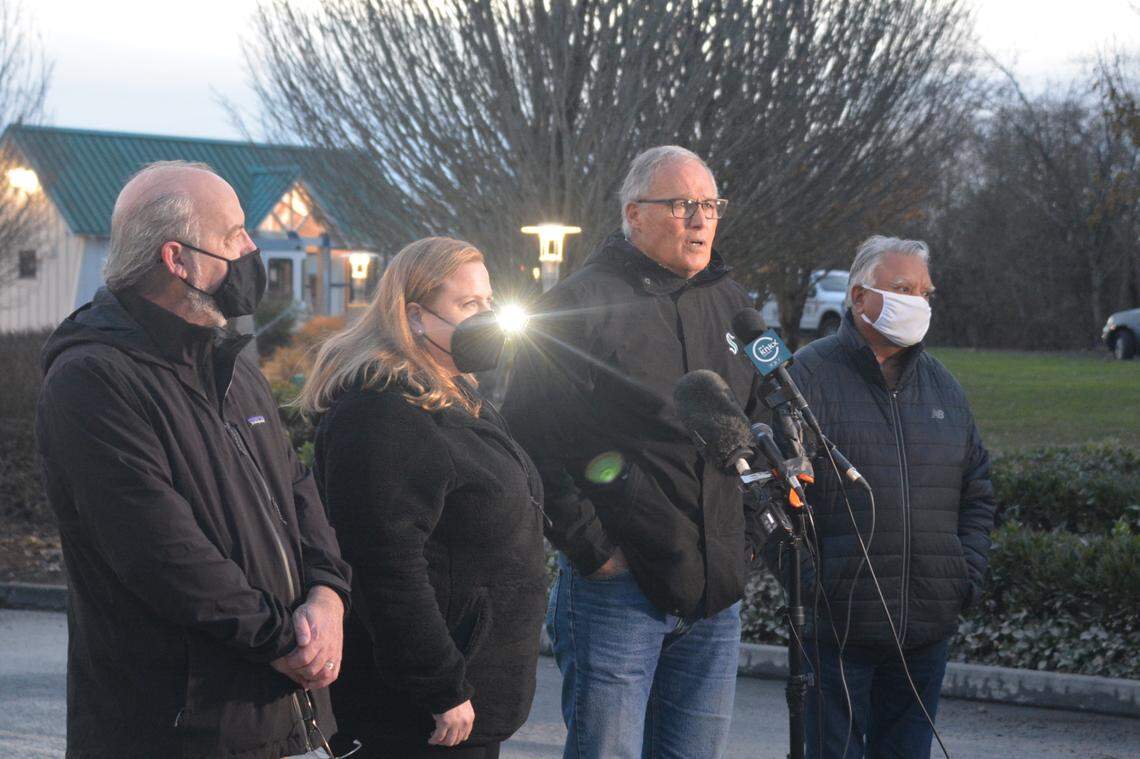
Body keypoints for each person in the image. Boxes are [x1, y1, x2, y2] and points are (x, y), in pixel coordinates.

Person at [35, 160, 352, 758]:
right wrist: (287, 643)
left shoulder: (230, 367)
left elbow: (297, 491)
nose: (252, 249)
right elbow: (161, 554)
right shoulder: (93, 381)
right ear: (177, 260)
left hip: (282, 719)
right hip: (177, 728)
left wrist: (328, 596)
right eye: (233, 236)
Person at [503, 145, 769, 758]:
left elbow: (757, 425)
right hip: (618, 591)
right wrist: (594, 549)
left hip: (714, 595)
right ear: (634, 214)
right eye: (682, 205)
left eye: (709, 205)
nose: (701, 219)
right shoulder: (577, 307)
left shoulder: (733, 304)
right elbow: (527, 438)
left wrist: (745, 534)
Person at [302, 237, 547, 759]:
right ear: (414, 316)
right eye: (467, 305)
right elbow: (384, 565)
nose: (484, 317)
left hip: (470, 697)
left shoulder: (458, 393)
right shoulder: (381, 414)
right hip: (418, 713)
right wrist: (440, 685)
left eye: (488, 302)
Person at [766, 235, 996, 758]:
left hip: (924, 630)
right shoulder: (806, 378)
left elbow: (977, 489)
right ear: (858, 296)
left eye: (924, 292)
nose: (917, 301)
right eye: (900, 288)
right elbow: (771, 497)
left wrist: (963, 574)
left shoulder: (944, 388)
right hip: (838, 632)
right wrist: (813, 584)